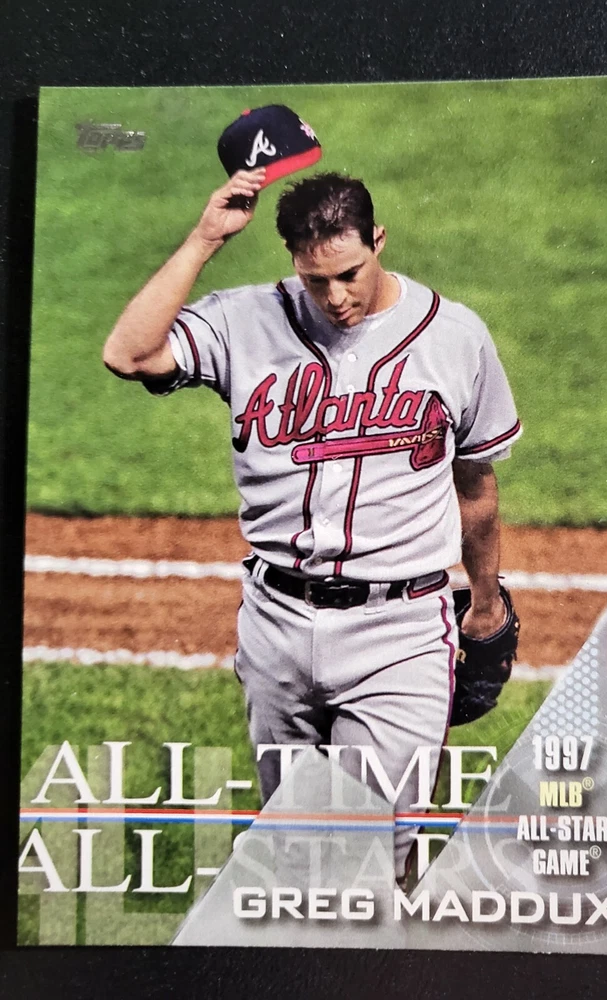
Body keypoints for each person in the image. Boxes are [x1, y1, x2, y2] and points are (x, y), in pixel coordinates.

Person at [103, 168, 522, 880]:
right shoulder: (245, 320)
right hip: (275, 623)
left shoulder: (455, 337)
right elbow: (129, 353)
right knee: (293, 855)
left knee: (374, 859)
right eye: (314, 279)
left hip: (399, 630)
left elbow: (475, 487)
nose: (335, 298)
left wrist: (484, 602)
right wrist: (205, 239)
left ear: (378, 241)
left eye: (349, 274)